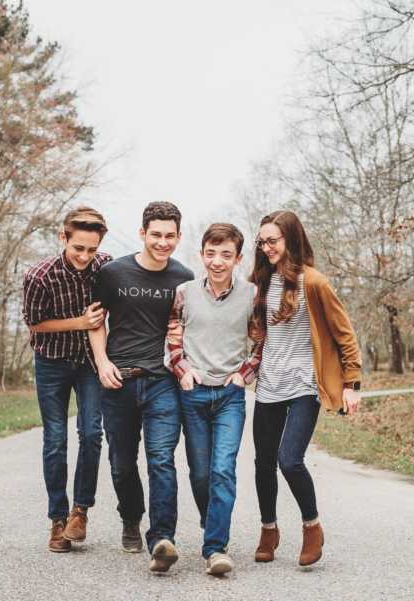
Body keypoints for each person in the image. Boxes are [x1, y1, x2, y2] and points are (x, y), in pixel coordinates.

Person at [249, 210, 362, 567]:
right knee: (263, 463)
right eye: (262, 241)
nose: (267, 247)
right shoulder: (262, 283)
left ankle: (312, 526)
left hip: (304, 383)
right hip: (269, 383)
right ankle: (269, 529)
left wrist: (351, 383)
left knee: (289, 459)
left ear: (290, 239)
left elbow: (345, 334)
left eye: (273, 240)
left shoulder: (314, 282)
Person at [87, 201, 194, 573]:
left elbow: (188, 327)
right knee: (121, 464)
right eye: (156, 235)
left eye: (170, 236)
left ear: (179, 237)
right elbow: (95, 322)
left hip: (163, 382)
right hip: (118, 381)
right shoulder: (114, 273)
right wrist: (102, 362)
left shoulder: (184, 277)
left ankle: (162, 538)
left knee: (162, 459)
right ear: (142, 233)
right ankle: (131, 517)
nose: (163, 242)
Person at [165, 223, 261, 576]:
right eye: (211, 253)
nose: (217, 261)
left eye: (225, 255)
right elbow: (173, 338)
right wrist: (183, 370)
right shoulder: (185, 292)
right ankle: (213, 522)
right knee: (201, 473)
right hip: (193, 393)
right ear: (202, 254)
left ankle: (215, 548)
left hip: (229, 397)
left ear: (237, 258)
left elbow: (261, 342)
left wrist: (244, 375)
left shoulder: (251, 295)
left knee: (223, 469)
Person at [22, 207, 111, 553]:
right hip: (51, 362)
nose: (84, 257)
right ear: (63, 238)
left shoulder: (104, 267)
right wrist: (78, 322)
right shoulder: (39, 277)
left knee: (91, 433)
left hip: (89, 362)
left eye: (91, 249)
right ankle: (57, 520)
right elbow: (34, 323)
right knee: (56, 439)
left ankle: (80, 512)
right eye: (78, 249)